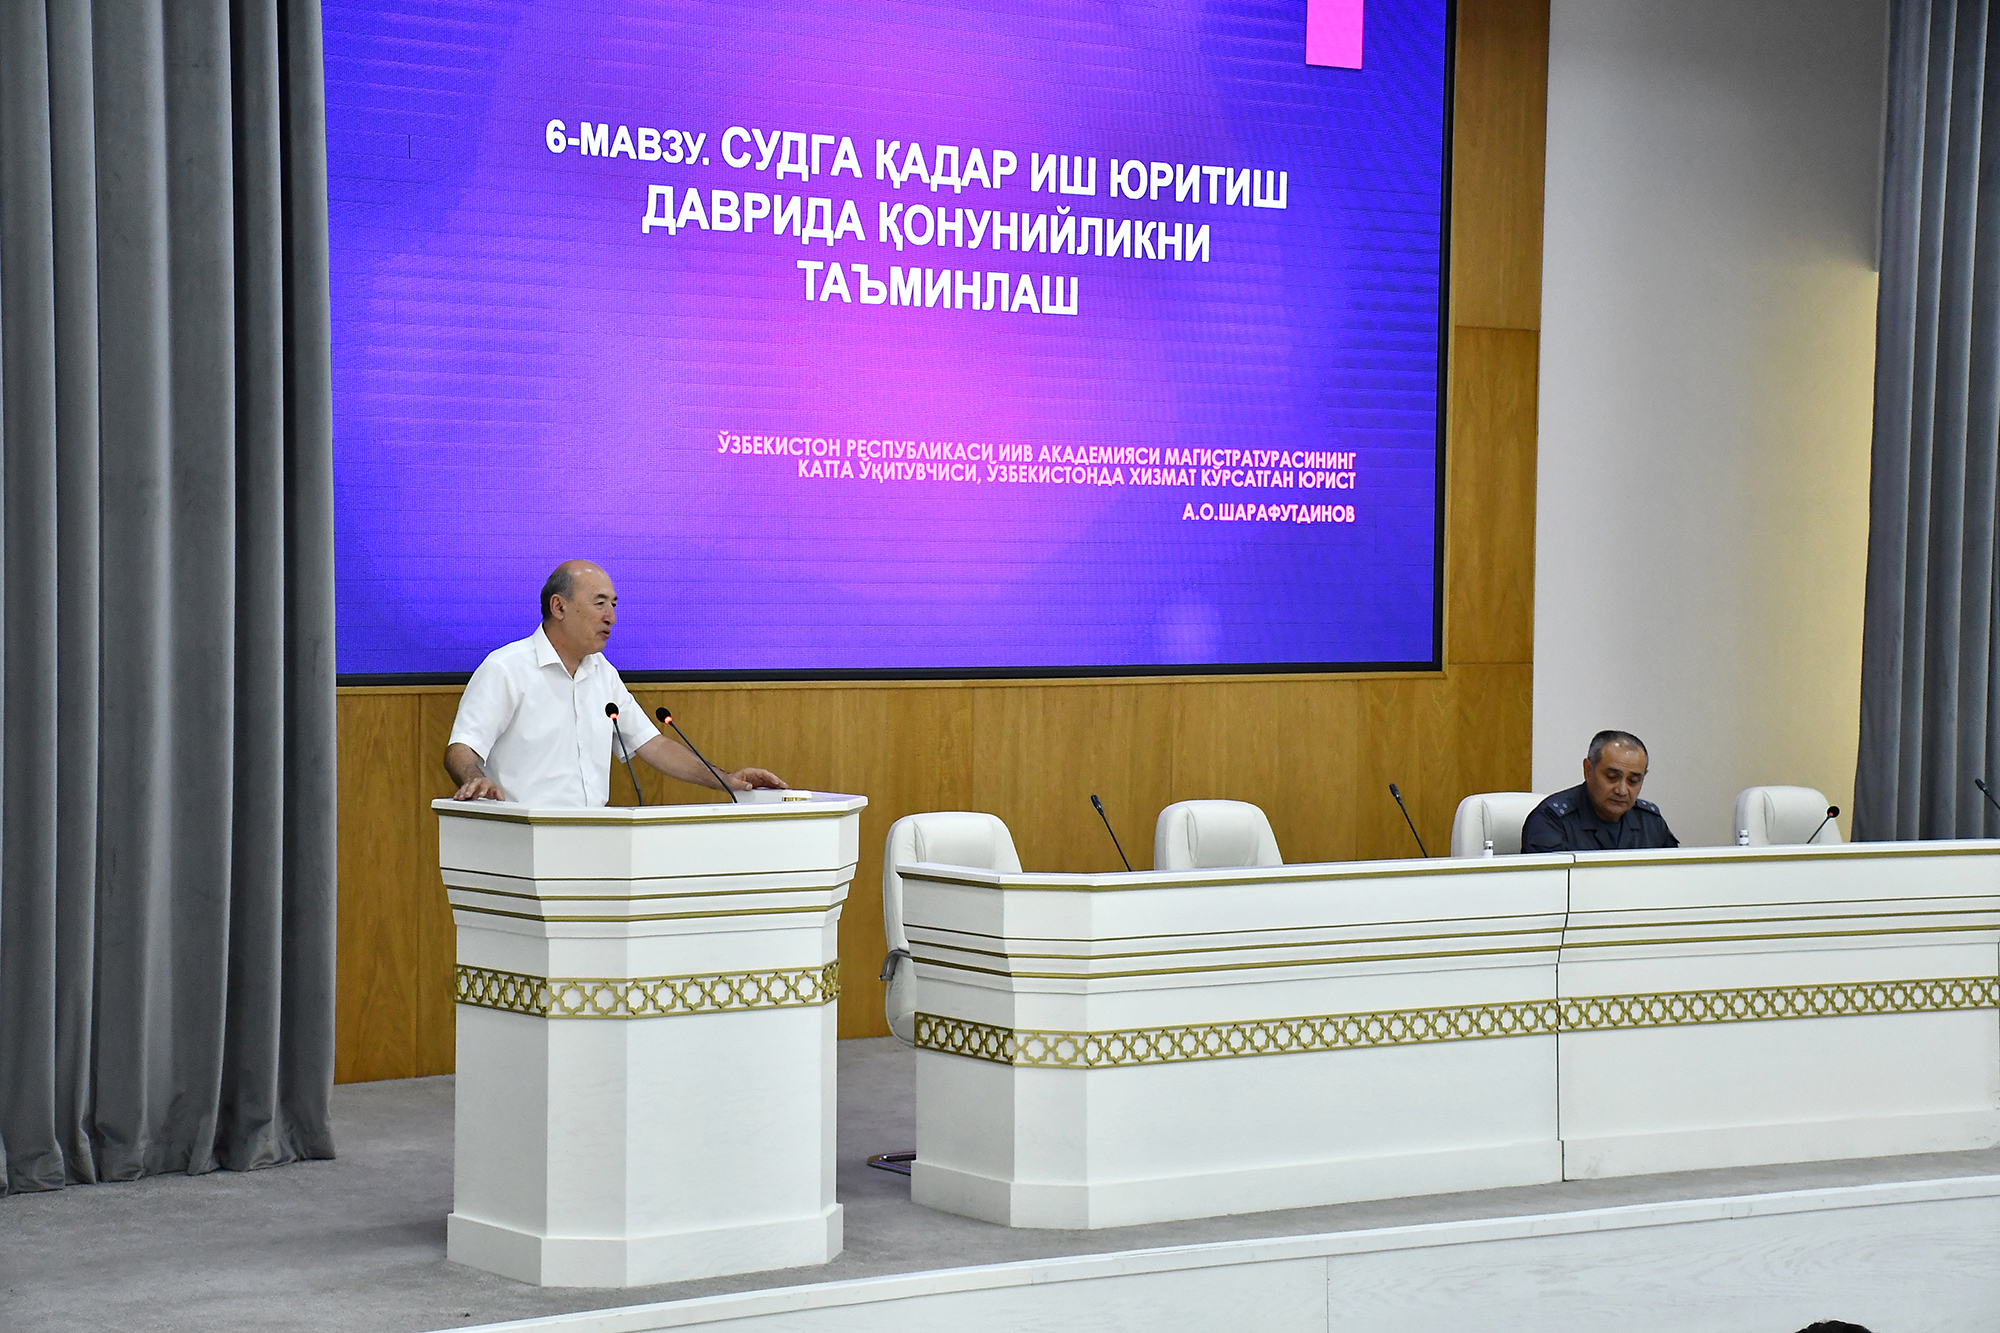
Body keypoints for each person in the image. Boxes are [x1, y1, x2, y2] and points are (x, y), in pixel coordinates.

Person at [444, 560, 784, 804]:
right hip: (522, 839)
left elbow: (653, 745)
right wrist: (475, 779)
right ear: (559, 607)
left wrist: (725, 779)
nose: (612, 617)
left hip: (594, 839)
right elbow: (461, 748)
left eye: (613, 604)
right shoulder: (506, 668)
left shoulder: (602, 672)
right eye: (600, 603)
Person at [1520, 729, 1678, 852]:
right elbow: (1551, 882)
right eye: (1612, 777)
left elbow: (1674, 876)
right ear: (1588, 770)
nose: (1622, 790)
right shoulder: (1551, 821)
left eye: (1633, 781)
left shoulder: (1650, 822)